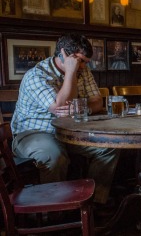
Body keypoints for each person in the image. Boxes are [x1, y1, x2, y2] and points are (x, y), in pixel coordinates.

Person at [11, 33, 120, 205]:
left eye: (85, 62)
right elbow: (59, 106)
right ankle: (53, 211)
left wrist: (80, 108)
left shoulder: (83, 71)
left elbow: (97, 102)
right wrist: (70, 72)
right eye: (80, 60)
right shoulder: (36, 75)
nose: (83, 66)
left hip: (69, 132)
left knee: (108, 147)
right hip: (34, 133)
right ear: (64, 55)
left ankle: (94, 204)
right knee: (54, 155)